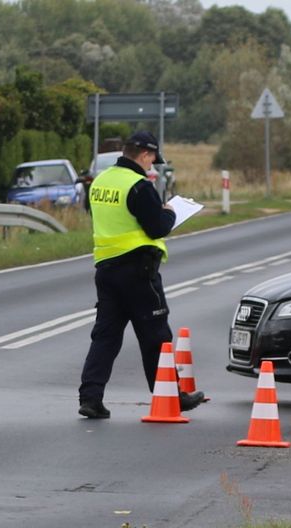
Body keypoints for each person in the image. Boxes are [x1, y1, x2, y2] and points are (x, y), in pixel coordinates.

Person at [77, 131, 205, 419]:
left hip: (106, 267)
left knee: (106, 336)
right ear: (145, 155)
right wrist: (170, 211)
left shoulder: (101, 181)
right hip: (138, 270)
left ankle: (90, 397)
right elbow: (157, 227)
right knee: (156, 335)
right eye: (152, 160)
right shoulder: (138, 185)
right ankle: (170, 396)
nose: (152, 166)